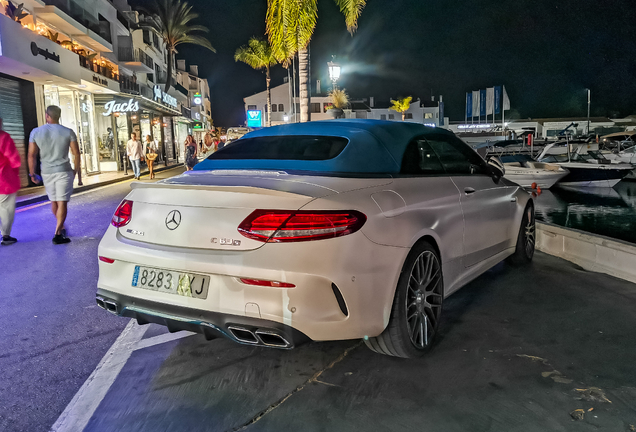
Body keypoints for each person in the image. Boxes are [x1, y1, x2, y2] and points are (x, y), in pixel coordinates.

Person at [28, 105, 82, 244]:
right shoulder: (68, 132)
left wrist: (32, 173)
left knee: (54, 201)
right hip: (63, 171)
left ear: (47, 116)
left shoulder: (36, 132)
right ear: (59, 115)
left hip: (46, 172)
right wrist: (75, 171)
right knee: (62, 201)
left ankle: (60, 227)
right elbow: (76, 153)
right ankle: (58, 233)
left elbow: (31, 155)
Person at [0, 116, 21, 246]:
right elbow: (14, 159)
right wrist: (16, 173)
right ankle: (6, 236)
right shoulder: (3, 137)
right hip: (4, 180)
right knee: (6, 209)